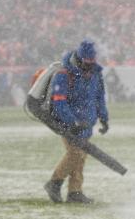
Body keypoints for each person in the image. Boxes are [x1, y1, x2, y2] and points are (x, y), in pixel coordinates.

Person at [43, 39, 109, 204]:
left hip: (87, 123)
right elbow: (59, 102)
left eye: (91, 62)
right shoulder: (64, 74)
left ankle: (75, 192)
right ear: (79, 58)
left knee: (81, 157)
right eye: (86, 62)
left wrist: (104, 118)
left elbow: (99, 98)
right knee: (75, 154)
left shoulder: (96, 73)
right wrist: (72, 122)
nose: (89, 66)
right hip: (69, 125)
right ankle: (54, 183)